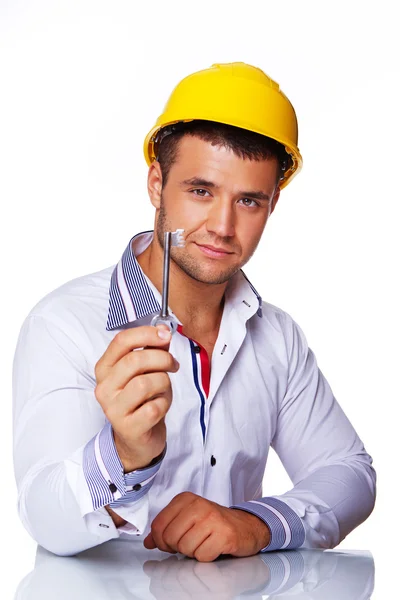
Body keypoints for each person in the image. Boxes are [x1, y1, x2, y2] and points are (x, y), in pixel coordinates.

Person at [12, 62, 376, 561]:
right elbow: (44, 518)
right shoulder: (64, 325)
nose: (223, 226)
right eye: (200, 191)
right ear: (157, 184)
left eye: (249, 201)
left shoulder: (278, 337)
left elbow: (350, 473)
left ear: (272, 206)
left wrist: (256, 524)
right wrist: (125, 455)